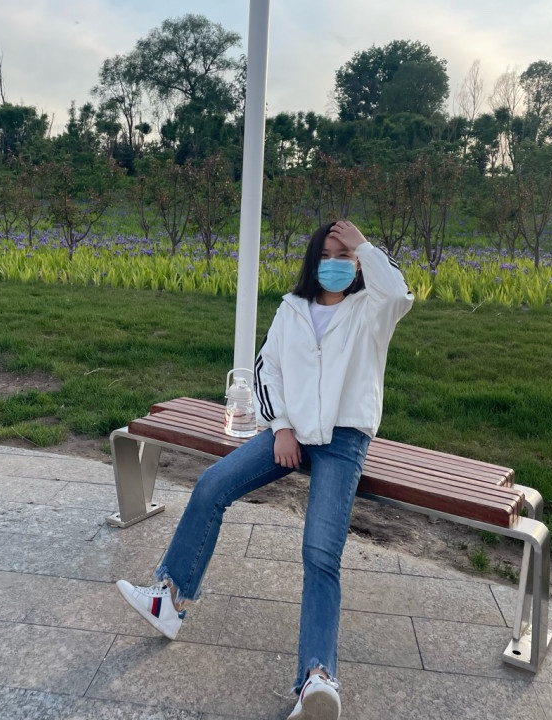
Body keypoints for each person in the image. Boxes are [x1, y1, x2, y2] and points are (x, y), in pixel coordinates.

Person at [116, 219, 413, 720]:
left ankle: (318, 679)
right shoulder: (292, 308)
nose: (336, 263)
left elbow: (400, 292)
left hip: (343, 438)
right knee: (211, 485)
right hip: (290, 431)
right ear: (313, 260)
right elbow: (265, 369)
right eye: (327, 253)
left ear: (359, 264)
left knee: (320, 552)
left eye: (345, 255)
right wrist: (281, 428)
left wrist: (364, 243)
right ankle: (170, 597)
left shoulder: (372, 310)